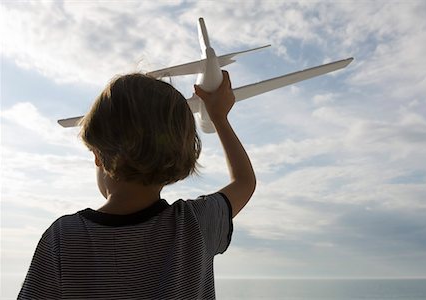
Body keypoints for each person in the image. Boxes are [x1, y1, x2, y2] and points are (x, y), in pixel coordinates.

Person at [18, 70, 256, 299]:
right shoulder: (195, 225)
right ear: (181, 153)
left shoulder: (63, 239)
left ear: (98, 154)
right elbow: (244, 181)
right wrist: (219, 117)